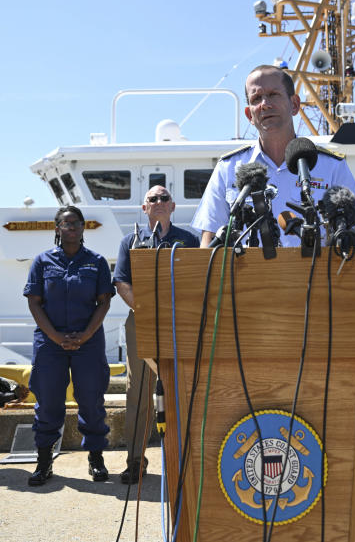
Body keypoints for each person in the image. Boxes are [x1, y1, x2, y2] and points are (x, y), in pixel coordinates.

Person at [192, 64, 355, 247]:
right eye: (256, 98)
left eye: (273, 94)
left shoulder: (332, 166)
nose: (265, 104)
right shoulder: (228, 168)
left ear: (295, 104)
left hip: (317, 273)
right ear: (249, 114)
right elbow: (209, 240)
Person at [113, 185, 199, 484]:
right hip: (142, 322)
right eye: (153, 199)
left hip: (180, 324)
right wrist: (147, 310)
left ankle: (184, 457)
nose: (159, 202)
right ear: (144, 208)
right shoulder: (130, 241)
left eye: (164, 198)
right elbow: (121, 282)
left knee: (183, 390)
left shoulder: (188, 240)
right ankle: (135, 460)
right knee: (138, 393)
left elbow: (199, 281)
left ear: (173, 206)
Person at [24, 206, 114, 486]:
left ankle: (96, 459)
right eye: (66, 223)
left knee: (91, 399)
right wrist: (54, 336)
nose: (71, 228)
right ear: (57, 228)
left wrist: (86, 335)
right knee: (48, 400)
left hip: (88, 341)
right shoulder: (42, 261)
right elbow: (34, 301)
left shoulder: (96, 262)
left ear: (83, 228)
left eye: (76, 223)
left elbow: (104, 301)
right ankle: (43, 461)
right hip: (51, 342)